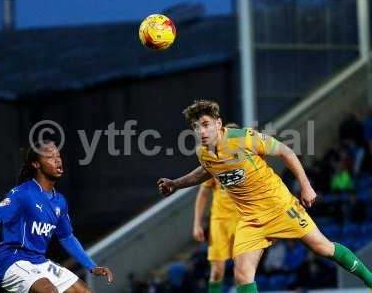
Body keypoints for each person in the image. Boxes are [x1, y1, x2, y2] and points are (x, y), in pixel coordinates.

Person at [157, 100, 372, 293]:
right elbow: (205, 171)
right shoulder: (203, 152)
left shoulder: (243, 138)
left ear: (218, 123)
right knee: (242, 274)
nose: (201, 131)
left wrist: (306, 187)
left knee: (323, 248)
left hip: (279, 207)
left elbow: (286, 152)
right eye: (196, 127)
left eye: (205, 124)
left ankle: (370, 280)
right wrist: (176, 184)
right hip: (250, 220)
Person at [0, 141, 113, 293]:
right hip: (12, 260)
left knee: (85, 291)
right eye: (50, 157)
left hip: (38, 261)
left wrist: (92, 266)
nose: (57, 160)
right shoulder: (23, 193)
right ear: (36, 164)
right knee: (49, 291)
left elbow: (67, 238)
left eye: (58, 156)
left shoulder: (60, 201)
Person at [193, 122, 240, 293]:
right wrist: (197, 224)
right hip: (219, 222)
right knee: (217, 271)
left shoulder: (249, 162)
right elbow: (202, 195)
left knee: (242, 271)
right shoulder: (215, 163)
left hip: (243, 221)